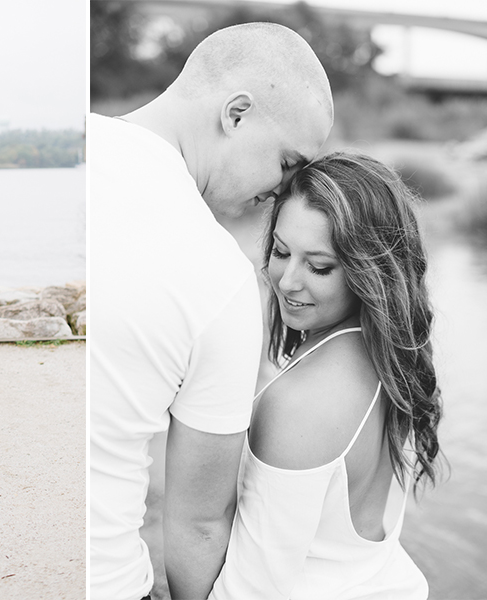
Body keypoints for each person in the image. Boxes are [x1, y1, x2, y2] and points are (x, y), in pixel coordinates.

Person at [90, 22, 334, 600]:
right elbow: (199, 524)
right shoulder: (218, 276)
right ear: (237, 113)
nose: (282, 191)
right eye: (285, 162)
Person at [209, 151, 443, 599]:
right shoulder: (393, 359)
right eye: (280, 251)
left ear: (370, 272)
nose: (287, 281)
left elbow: (251, 588)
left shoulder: (301, 404)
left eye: (318, 267)